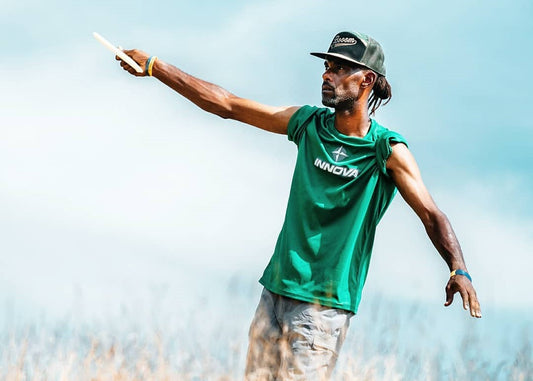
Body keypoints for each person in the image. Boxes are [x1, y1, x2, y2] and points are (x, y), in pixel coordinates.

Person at [116, 30, 481, 380]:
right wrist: (155, 67)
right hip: (274, 291)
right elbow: (228, 105)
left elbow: (431, 213)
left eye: (340, 69)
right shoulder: (308, 123)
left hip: (323, 308)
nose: (327, 75)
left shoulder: (386, 150)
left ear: (366, 80)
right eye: (327, 67)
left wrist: (458, 269)